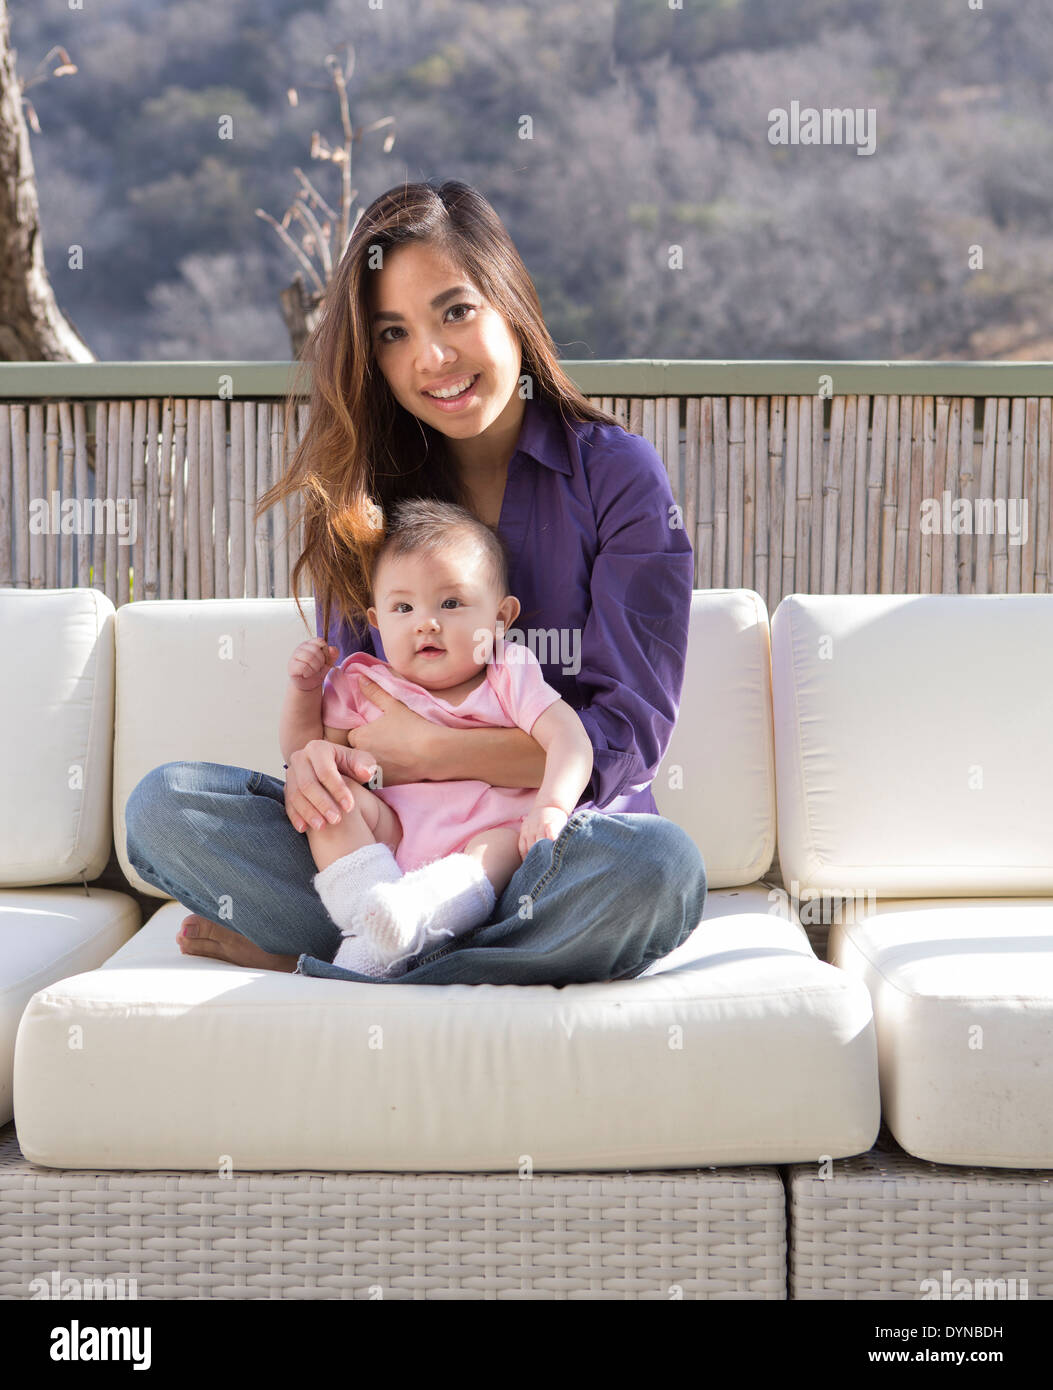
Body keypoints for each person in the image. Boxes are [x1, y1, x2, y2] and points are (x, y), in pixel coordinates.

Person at [124, 177, 707, 985]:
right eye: (393, 333)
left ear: (508, 299)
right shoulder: (368, 493)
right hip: (391, 854)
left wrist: (433, 750)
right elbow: (352, 721)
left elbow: (623, 742)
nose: (431, 358)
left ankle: (335, 958)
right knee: (164, 807)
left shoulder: (616, 476)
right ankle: (423, 948)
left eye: (455, 311)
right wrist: (318, 766)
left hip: (547, 854)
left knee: (660, 872)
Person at [285, 496, 594, 979]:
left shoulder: (507, 675)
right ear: (377, 623)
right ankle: (372, 921)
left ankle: (405, 926)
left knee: (504, 846)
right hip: (391, 837)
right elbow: (306, 756)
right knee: (327, 793)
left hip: (486, 839)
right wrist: (306, 691)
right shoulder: (365, 681)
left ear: (501, 617)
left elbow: (571, 739)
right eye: (403, 607)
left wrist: (552, 806)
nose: (426, 622)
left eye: (450, 603)